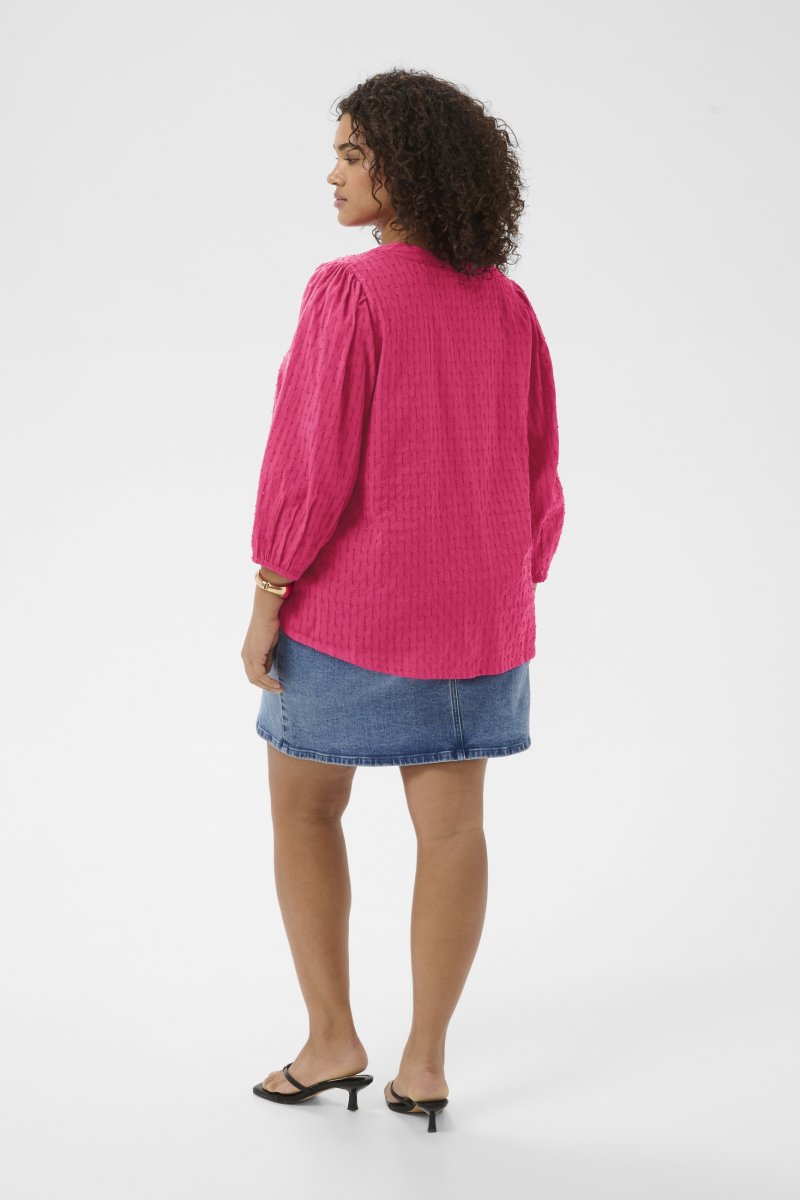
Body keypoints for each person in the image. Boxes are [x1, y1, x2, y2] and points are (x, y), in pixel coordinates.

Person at [240, 68, 565, 1133]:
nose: (331, 174)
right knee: (454, 832)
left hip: (354, 614)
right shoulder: (505, 302)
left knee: (303, 808)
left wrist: (268, 589)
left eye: (351, 154)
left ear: (406, 169)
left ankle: (331, 1040)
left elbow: (310, 461)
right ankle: (424, 1065)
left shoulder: (351, 291)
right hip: (479, 623)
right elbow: (538, 466)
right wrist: (510, 581)